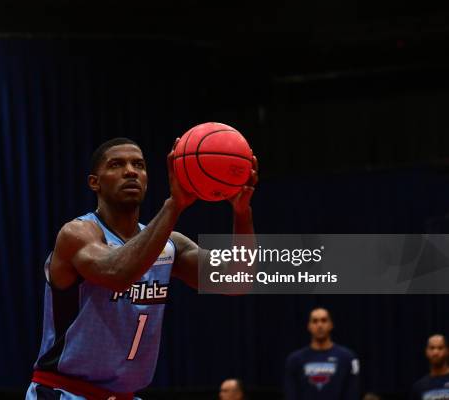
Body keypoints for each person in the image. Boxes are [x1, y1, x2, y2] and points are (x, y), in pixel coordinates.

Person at [26, 137, 258, 400]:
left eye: (139, 165)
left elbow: (238, 281)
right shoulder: (78, 233)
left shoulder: (170, 245)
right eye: (116, 164)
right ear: (95, 182)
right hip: (65, 391)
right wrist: (175, 204)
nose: (130, 171)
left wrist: (242, 213)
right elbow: (118, 274)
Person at [284, 308, 360, 400]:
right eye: (315, 321)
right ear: (309, 326)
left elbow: (352, 394)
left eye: (324, 320)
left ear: (331, 324)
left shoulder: (348, 358)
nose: (319, 325)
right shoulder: (294, 360)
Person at [410, 334, 449, 400]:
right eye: (432, 348)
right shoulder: (419, 387)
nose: (435, 352)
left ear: (447, 351)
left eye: (440, 348)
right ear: (426, 351)